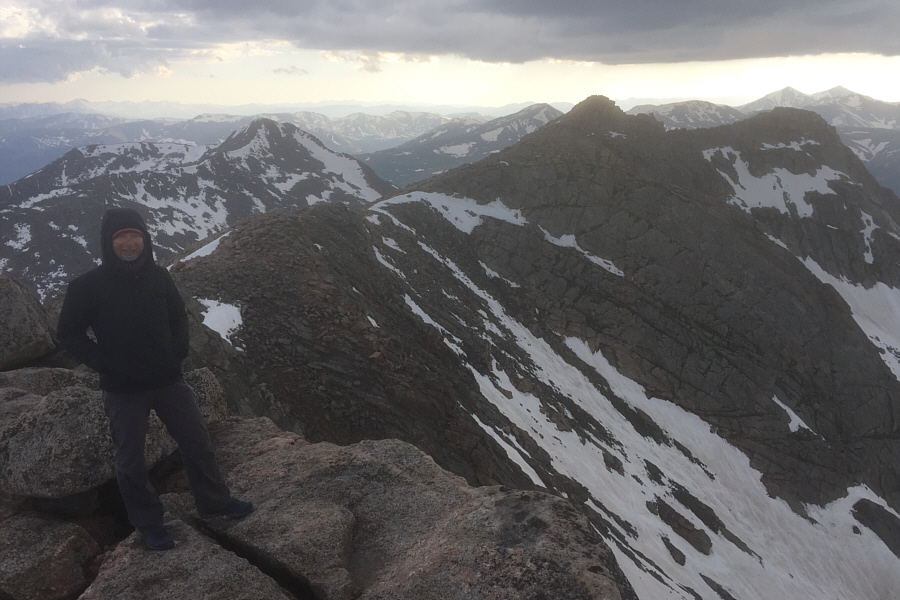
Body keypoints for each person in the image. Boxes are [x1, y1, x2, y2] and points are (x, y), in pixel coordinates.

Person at [57, 207, 252, 551]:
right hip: (122, 389)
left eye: (135, 235)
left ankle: (215, 503)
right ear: (109, 242)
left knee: (198, 443)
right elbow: (69, 333)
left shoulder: (159, 277)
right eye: (121, 237)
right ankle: (149, 524)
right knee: (131, 461)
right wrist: (103, 363)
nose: (129, 243)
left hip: (168, 381)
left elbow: (178, 316)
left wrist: (177, 350)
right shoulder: (88, 286)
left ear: (145, 239)